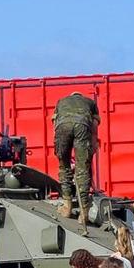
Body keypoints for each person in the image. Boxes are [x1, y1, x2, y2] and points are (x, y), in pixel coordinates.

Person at [53, 91, 101, 224]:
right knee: (82, 169)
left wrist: (59, 149)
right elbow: (95, 126)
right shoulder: (90, 103)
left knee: (64, 167)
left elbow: (55, 123)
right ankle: (83, 213)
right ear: (80, 97)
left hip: (62, 127)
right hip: (82, 126)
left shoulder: (61, 101)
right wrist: (93, 144)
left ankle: (67, 206)